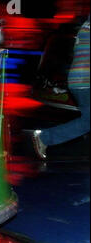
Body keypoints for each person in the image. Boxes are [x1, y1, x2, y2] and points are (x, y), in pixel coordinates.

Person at [32, 16, 90, 159]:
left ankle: (45, 138)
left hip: (80, 80)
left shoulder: (86, 25)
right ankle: (45, 138)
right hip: (84, 81)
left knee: (87, 121)